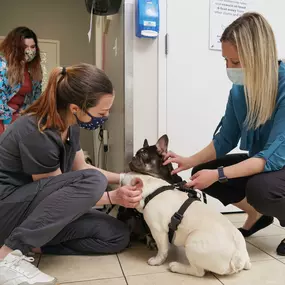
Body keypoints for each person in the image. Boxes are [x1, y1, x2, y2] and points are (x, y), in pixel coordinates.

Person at [0, 63, 142, 285]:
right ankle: (7, 254)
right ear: (76, 108)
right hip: (8, 208)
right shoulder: (36, 130)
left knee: (117, 234)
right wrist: (113, 197)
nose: (104, 118)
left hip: (34, 211)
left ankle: (37, 243)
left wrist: (124, 177)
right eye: (101, 113)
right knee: (95, 182)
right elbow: (58, 192)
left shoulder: (71, 125)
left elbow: (82, 170)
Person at [164, 12, 285, 256]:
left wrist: (218, 173)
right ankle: (257, 215)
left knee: (262, 189)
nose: (229, 68)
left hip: (277, 164)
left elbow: (270, 158)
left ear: (259, 57)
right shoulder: (240, 91)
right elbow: (225, 139)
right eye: (225, 60)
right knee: (201, 173)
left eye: (236, 62)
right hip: (265, 163)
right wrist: (189, 161)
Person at [0, 26, 42, 134]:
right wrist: (7, 121)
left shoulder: (34, 70)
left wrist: (27, 114)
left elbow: (36, 97)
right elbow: (1, 95)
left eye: (33, 47)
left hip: (20, 118)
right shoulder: (3, 65)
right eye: (25, 47)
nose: (29, 51)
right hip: (3, 118)